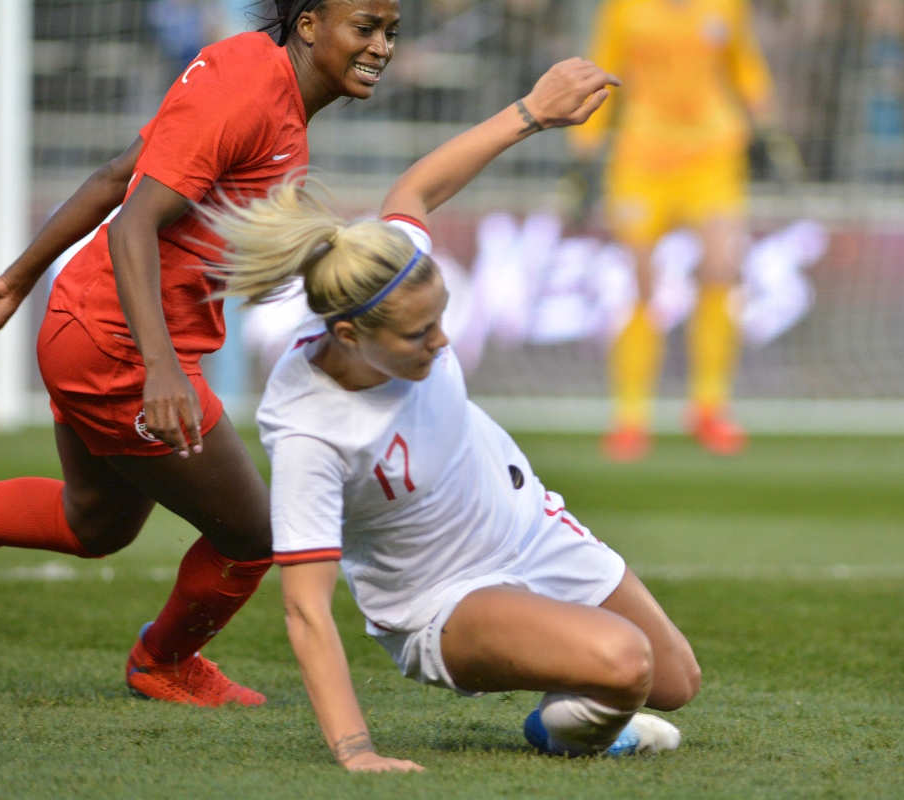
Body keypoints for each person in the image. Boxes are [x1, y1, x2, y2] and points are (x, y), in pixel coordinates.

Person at [203, 61, 701, 772]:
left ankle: (572, 694)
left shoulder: (392, 270)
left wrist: (530, 111)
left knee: (675, 679)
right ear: (349, 335)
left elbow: (414, 190)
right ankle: (565, 723)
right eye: (418, 335)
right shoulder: (311, 429)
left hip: (531, 527)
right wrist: (357, 753)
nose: (442, 344)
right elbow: (305, 609)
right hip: (442, 600)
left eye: (442, 320)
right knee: (625, 663)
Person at [0, 0, 405, 706]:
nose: (383, 47)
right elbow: (133, 224)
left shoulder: (258, 84)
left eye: (392, 31)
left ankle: (163, 660)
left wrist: (18, 279)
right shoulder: (245, 89)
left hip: (87, 328)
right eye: (365, 27)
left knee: (94, 524)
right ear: (309, 26)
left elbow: (120, 175)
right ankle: (162, 663)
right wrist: (158, 369)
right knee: (251, 534)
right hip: (118, 349)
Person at [566, 0, 779, 462]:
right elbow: (602, 69)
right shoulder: (624, 9)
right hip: (643, 156)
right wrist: (584, 150)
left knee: (723, 266)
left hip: (714, 151)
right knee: (643, 284)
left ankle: (709, 405)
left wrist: (766, 127)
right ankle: (631, 417)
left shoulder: (726, 6)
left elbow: (745, 63)